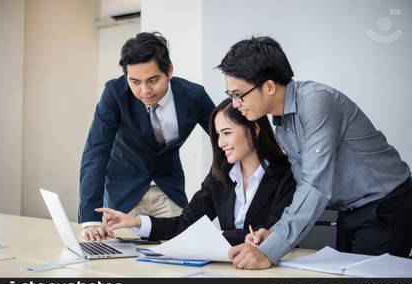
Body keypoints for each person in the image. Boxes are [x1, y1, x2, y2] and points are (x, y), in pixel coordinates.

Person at [217, 36, 412, 269]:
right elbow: (304, 187)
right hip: (351, 213)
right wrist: (274, 233)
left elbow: (315, 186)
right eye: (231, 96)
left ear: (268, 87)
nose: (235, 103)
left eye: (239, 94)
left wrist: (270, 251)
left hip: (386, 208)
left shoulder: (315, 102)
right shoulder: (282, 123)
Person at [95, 98, 296, 246]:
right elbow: (186, 224)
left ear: (255, 129)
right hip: (228, 267)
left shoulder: (286, 173)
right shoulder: (221, 173)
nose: (220, 143)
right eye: (218, 135)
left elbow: (269, 234)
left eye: (227, 133)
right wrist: (135, 221)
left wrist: (213, 237)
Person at [79, 32, 215, 241]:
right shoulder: (115, 93)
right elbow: (96, 151)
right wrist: (90, 219)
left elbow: (226, 139)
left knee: (183, 251)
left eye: (153, 80)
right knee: (119, 265)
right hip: (123, 193)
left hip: (169, 190)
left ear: (169, 71)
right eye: (135, 81)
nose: (145, 91)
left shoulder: (193, 96)